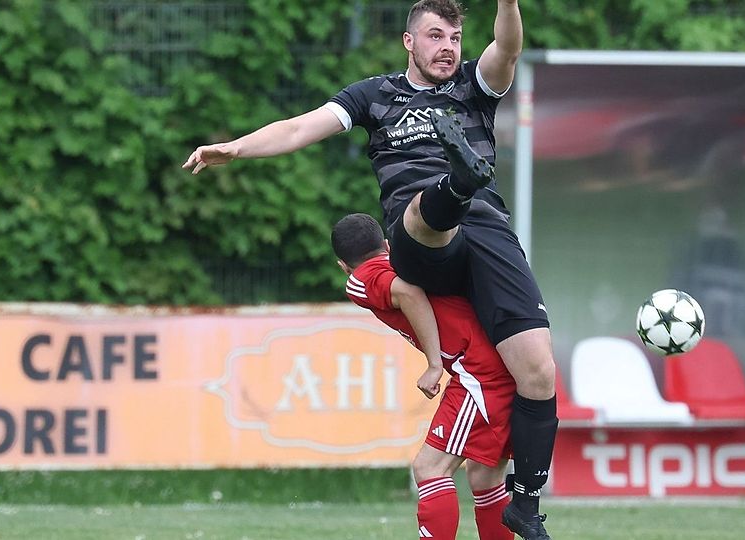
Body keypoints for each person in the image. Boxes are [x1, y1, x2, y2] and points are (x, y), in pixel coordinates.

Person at [183, 2, 558, 536]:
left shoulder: (476, 85)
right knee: (421, 212)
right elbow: (298, 128)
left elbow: (508, 48)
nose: (447, 46)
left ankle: (525, 503)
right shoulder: (373, 96)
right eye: (435, 36)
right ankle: (455, 183)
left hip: (488, 234)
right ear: (409, 42)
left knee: (537, 371)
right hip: (418, 241)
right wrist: (236, 148)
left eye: (454, 36)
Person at [333, 212, 515, 540]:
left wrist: (434, 363)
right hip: (506, 362)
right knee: (484, 476)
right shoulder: (407, 258)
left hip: (479, 372)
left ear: (343, 266)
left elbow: (407, 293)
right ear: (386, 244)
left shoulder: (362, 277)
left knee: (429, 468)